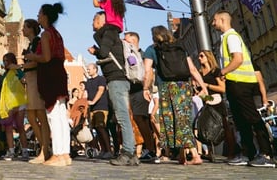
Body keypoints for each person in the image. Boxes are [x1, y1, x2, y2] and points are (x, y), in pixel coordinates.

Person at [212, 10, 276, 167]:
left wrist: (223, 71)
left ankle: (266, 154)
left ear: (222, 20)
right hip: (235, 83)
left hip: (242, 83)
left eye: (214, 20)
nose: (213, 23)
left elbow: (238, 59)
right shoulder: (226, 38)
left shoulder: (231, 37)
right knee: (241, 121)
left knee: (252, 117)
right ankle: (249, 153)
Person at [141, 25, 206, 166]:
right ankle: (182, 155)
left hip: (166, 87)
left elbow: (147, 72)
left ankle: (195, 155)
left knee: (172, 122)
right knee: (182, 119)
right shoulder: (180, 46)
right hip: (183, 86)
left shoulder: (152, 49)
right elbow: (192, 69)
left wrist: (145, 88)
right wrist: (203, 85)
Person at [88, 11, 138, 166]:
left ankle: (128, 152)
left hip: (116, 79)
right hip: (119, 79)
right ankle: (132, 154)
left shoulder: (109, 33)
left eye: (94, 19)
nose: (92, 23)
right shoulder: (111, 34)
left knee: (122, 116)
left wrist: (95, 51)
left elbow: (103, 52)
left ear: (101, 20)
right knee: (123, 116)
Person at [24, 3, 70, 166]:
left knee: (53, 116)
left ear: (45, 16)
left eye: (39, 14)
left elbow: (46, 57)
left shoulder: (45, 34)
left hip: (50, 75)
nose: (38, 17)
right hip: (59, 74)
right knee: (61, 115)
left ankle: (58, 154)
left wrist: (32, 56)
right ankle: (65, 154)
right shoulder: (56, 34)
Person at [21, 18, 51, 163]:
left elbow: (38, 60)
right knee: (32, 116)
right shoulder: (31, 43)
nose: (22, 30)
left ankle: (45, 149)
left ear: (31, 29)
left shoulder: (38, 42)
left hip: (36, 79)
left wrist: (20, 67)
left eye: (24, 27)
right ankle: (43, 147)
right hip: (30, 80)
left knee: (39, 114)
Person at [124, 31, 156, 163]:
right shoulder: (128, 54)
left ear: (133, 40)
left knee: (143, 119)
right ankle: (150, 149)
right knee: (139, 120)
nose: (124, 42)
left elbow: (149, 72)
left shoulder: (142, 55)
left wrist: (146, 88)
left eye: (126, 40)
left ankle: (151, 149)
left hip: (141, 90)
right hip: (132, 91)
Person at [0, 52, 28, 160]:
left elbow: (24, 80)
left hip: (15, 102)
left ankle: (21, 151)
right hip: (15, 102)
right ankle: (16, 151)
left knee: (15, 127)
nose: (5, 63)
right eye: (4, 61)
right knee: (12, 127)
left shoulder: (15, 72)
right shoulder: (7, 73)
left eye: (7, 61)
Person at [83, 62, 112, 159]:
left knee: (101, 127)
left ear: (95, 69)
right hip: (92, 109)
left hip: (101, 107)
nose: (88, 70)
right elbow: (85, 94)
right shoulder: (88, 81)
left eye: (89, 69)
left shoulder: (101, 79)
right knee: (96, 129)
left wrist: (93, 101)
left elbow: (101, 90)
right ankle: (103, 150)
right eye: (87, 69)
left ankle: (109, 150)